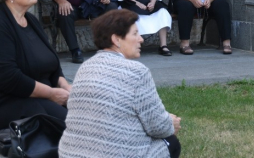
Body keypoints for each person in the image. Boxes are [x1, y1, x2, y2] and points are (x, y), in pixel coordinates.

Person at [59, 9, 181, 158]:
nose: (141, 39)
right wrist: (171, 123)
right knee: (171, 142)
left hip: (70, 154)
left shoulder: (85, 67)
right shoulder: (137, 72)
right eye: (135, 34)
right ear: (116, 40)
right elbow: (159, 127)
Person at [0, 0, 70, 132]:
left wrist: (65, 87)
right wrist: (51, 94)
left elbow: (52, 65)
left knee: (91, 113)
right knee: (76, 127)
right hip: (8, 102)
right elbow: (8, 78)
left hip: (42, 95)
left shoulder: (31, 21)